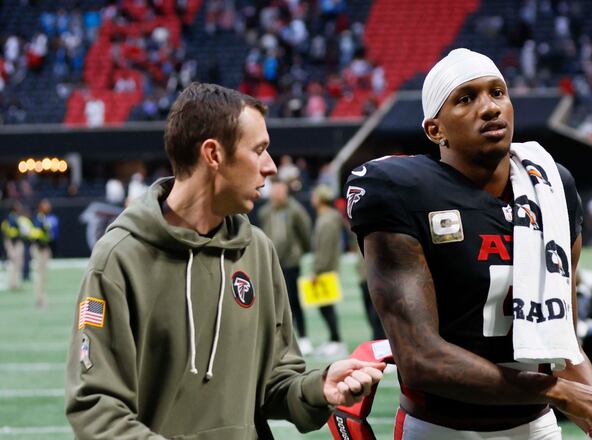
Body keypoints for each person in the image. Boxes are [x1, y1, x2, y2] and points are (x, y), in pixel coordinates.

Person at [346, 49, 592, 440]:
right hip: (440, 429)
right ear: (435, 130)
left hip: (535, 427)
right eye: (465, 98)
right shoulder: (402, 191)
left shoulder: (551, 188)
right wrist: (556, 390)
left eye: (497, 93)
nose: (489, 108)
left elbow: (561, 338)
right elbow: (421, 359)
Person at [65, 82, 384, 439]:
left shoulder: (258, 251)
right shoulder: (119, 260)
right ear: (213, 154)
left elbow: (277, 382)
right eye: (259, 150)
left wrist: (318, 387)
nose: (271, 167)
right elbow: (97, 408)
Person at [257, 177, 314, 354]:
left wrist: (300, 252)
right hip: (271, 262)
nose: (277, 194)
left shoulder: (295, 209)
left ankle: (303, 337)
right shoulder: (265, 211)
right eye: (274, 190)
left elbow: (305, 231)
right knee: (273, 301)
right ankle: (277, 339)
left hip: (291, 263)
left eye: (280, 190)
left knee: (294, 300)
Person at [310, 184, 348, 358]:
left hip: (326, 270)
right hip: (328, 268)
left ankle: (337, 341)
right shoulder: (327, 218)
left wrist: (317, 271)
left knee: (327, 307)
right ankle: (334, 339)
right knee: (325, 306)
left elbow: (324, 249)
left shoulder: (326, 220)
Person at [29, 198, 59, 308]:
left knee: (43, 275)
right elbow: (36, 234)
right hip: (39, 248)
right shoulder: (39, 218)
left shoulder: (45, 218)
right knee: (40, 275)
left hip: (44, 248)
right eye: (45, 204)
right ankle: (40, 299)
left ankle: (40, 298)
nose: (48, 206)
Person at [2, 201, 31, 291]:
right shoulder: (11, 218)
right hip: (12, 242)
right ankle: (12, 283)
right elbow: (9, 232)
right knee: (13, 262)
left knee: (18, 263)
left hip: (16, 242)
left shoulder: (17, 218)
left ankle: (15, 283)